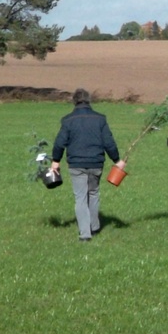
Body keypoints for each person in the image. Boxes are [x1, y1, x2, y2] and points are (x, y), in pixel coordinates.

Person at [49, 88, 121, 242]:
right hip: (96, 163)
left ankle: (85, 234)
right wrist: (117, 160)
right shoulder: (100, 119)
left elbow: (59, 143)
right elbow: (109, 142)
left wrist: (56, 160)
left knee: (80, 197)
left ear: (74, 101)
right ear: (89, 101)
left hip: (76, 164)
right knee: (93, 193)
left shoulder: (67, 120)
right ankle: (94, 227)